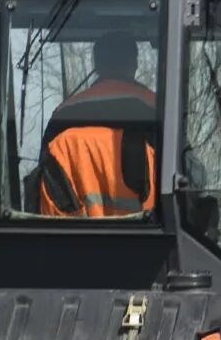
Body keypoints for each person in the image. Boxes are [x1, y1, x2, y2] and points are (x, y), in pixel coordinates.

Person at [32, 32, 159, 218]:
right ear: (134, 63)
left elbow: (43, 184)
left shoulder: (64, 114)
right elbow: (190, 177)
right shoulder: (157, 110)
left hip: (69, 241)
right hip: (151, 240)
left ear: (97, 64)